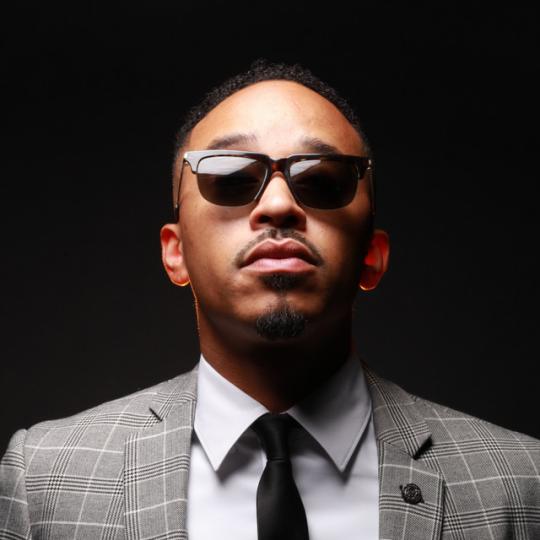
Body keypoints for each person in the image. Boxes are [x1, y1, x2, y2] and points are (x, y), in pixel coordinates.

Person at [1, 58, 539, 540]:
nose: (278, 205)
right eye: (231, 177)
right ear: (175, 252)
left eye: (323, 180)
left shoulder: (522, 484)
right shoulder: (43, 478)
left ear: (372, 257)